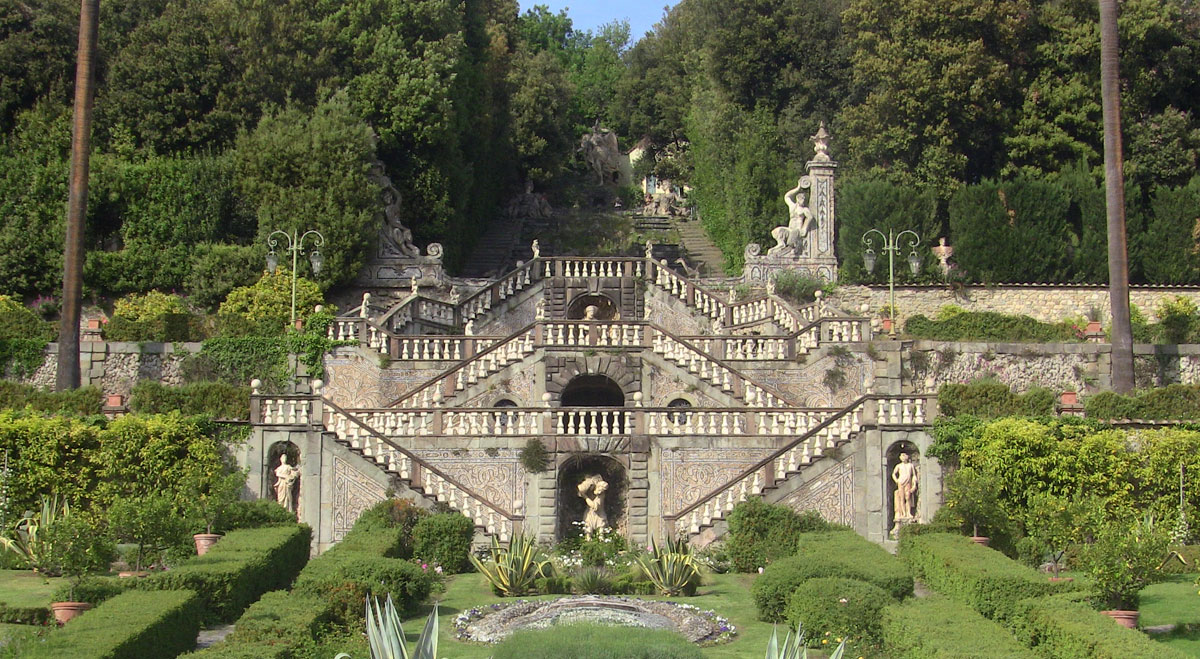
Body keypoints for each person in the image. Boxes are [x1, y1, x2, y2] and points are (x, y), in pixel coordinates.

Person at [891, 452, 918, 521]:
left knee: (908, 497)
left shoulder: (910, 465)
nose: (903, 457)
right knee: (901, 498)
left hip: (908, 483)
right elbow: (893, 474)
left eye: (904, 456)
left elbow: (914, 475)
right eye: (901, 456)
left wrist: (914, 484)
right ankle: (903, 513)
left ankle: (908, 512)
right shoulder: (899, 466)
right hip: (901, 482)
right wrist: (896, 481)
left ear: (907, 457)